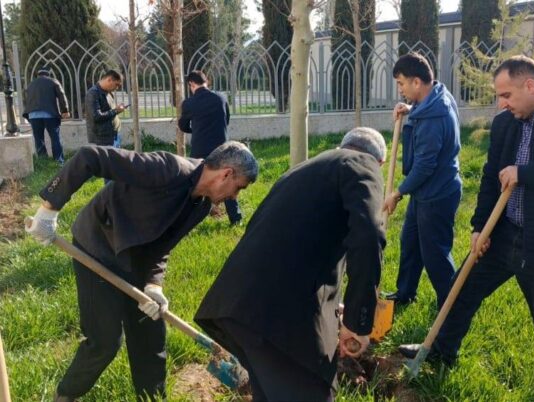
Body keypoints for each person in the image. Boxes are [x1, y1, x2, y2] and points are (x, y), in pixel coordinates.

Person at [397, 55, 534, 394]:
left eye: (506, 95)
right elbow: (490, 178)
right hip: (504, 232)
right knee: (460, 291)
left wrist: (524, 173)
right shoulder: (506, 123)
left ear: (530, 85)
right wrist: (480, 227)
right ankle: (440, 353)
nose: (502, 103)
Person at [25, 141, 258, 402]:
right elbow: (90, 156)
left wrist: (154, 286)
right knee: (104, 342)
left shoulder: (201, 206)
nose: (235, 197)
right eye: (239, 188)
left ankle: (152, 399)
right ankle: (65, 395)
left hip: (136, 258)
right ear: (226, 174)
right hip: (97, 248)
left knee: (151, 337)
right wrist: (48, 210)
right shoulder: (167, 170)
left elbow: (163, 244)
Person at [195, 127, 387, 401]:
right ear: (379, 162)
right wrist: (358, 323)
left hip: (238, 307)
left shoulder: (303, 171)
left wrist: (336, 307)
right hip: (277, 319)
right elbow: (368, 236)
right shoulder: (362, 164)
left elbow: (301, 244)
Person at [381, 52, 462, 308]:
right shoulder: (435, 96)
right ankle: (405, 292)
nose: (400, 90)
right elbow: (422, 108)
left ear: (417, 82)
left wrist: (398, 192)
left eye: (402, 84)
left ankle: (450, 306)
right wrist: (410, 108)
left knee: (435, 253)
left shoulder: (434, 118)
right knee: (411, 243)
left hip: (437, 194)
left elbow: (425, 166)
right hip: (425, 191)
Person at [178, 70, 241, 225]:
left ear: (191, 84)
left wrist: (197, 130)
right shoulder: (221, 98)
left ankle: (189, 219)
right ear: (207, 81)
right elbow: (226, 119)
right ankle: (236, 218)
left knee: (197, 183)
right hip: (222, 147)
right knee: (227, 179)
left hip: (199, 149)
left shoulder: (189, 103)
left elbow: (183, 126)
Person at [23, 66, 70, 164]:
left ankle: (43, 162)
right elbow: (62, 95)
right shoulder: (53, 81)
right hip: (50, 114)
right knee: (55, 138)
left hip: (33, 115)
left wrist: (28, 114)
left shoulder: (30, 85)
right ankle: (59, 161)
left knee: (38, 139)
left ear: (38, 74)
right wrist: (65, 110)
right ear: (48, 74)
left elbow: (25, 101)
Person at [84, 69, 126, 148]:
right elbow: (96, 116)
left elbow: (109, 110)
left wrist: (117, 109)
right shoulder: (93, 93)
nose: (117, 88)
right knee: (107, 160)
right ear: (109, 79)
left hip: (114, 134)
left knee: (116, 159)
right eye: (116, 84)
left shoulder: (108, 92)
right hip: (102, 138)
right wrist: (116, 110)